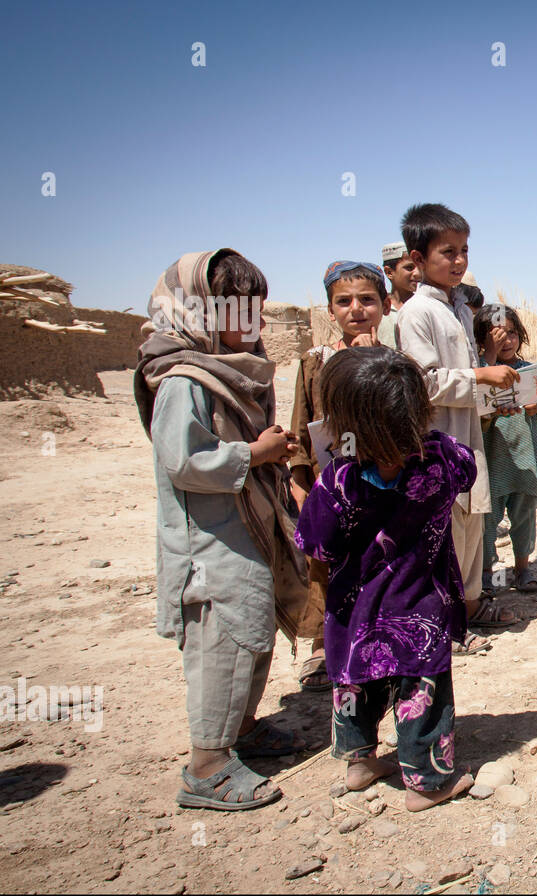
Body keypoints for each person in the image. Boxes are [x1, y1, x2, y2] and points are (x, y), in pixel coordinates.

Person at [135, 249, 307, 811]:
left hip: (244, 532)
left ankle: (244, 728)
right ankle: (206, 765)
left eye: (256, 308)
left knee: (252, 628)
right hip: (210, 543)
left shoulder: (233, 372)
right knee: (221, 640)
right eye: (238, 309)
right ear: (199, 310)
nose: (252, 321)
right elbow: (183, 460)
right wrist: (254, 454)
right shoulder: (184, 380)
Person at [294, 346, 477, 810]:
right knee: (422, 688)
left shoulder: (337, 480)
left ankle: (359, 762)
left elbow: (316, 543)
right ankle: (425, 782)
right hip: (418, 605)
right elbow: (469, 471)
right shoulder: (441, 459)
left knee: (356, 679)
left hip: (352, 609)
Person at [395, 202, 521, 652]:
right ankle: (443, 624)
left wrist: (494, 401)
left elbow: (465, 379)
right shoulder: (417, 314)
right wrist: (480, 378)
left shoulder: (462, 310)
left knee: (469, 522)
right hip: (436, 442)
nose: (459, 260)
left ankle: (467, 608)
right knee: (442, 529)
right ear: (417, 258)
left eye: (464, 250)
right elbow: (424, 383)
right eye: (447, 252)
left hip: (468, 438)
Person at [287, 260, 389, 690]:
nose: (356, 309)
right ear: (330, 311)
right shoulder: (314, 362)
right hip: (328, 484)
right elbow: (299, 426)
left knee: (377, 561)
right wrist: (297, 483)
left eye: (367, 300)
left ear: (384, 305)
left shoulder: (393, 361)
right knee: (324, 564)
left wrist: (369, 361)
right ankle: (320, 646)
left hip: (379, 482)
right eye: (344, 301)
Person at [473, 303, 537, 593]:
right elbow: (476, 401)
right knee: (487, 523)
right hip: (493, 459)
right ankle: (488, 573)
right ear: (481, 338)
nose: (504, 341)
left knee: (523, 517)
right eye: (495, 335)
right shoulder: (481, 373)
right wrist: (490, 357)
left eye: (510, 333)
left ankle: (522, 569)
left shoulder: (529, 371)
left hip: (523, 457)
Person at [377, 242, 420, 348]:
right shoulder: (377, 309)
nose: (417, 273)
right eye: (409, 267)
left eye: (420, 267)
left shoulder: (425, 305)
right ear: (389, 272)